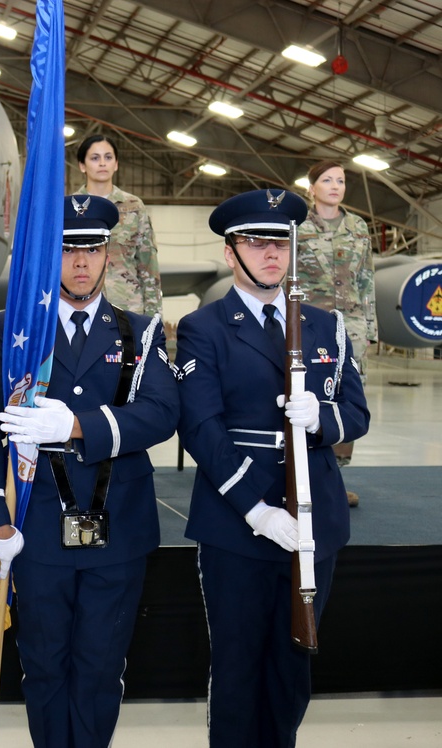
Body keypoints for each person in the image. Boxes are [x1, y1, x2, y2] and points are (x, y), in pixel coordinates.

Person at [0, 195, 179, 746]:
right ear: (47, 255)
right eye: (66, 249)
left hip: (119, 527)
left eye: (92, 248)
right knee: (43, 665)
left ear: (108, 254)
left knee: (100, 668)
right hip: (35, 526)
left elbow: (161, 413)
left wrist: (77, 425)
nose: (80, 261)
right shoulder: (13, 333)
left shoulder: (140, 331)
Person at [174, 188, 370, 748]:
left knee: (292, 668)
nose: (271, 255)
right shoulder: (205, 327)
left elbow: (356, 412)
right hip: (239, 520)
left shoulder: (325, 325)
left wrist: (322, 419)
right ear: (231, 250)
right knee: (237, 665)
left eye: (280, 242)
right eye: (256, 243)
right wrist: (255, 509)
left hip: (314, 518)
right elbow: (202, 427)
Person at [298, 160, 376, 507]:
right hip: (310, 326)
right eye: (327, 180)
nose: (335, 186)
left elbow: (366, 280)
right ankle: (301, 478)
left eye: (341, 181)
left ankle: (334, 478)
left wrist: (371, 328)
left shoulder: (358, 227)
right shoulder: (297, 225)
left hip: (352, 327)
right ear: (312, 187)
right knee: (308, 396)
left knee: (346, 400)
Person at [75, 133, 162, 316]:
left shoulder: (134, 207)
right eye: (94, 158)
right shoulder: (70, 209)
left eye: (108, 157)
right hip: (80, 308)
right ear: (82, 165)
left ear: (116, 164)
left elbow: (148, 266)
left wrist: (154, 318)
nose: (102, 163)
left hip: (127, 308)